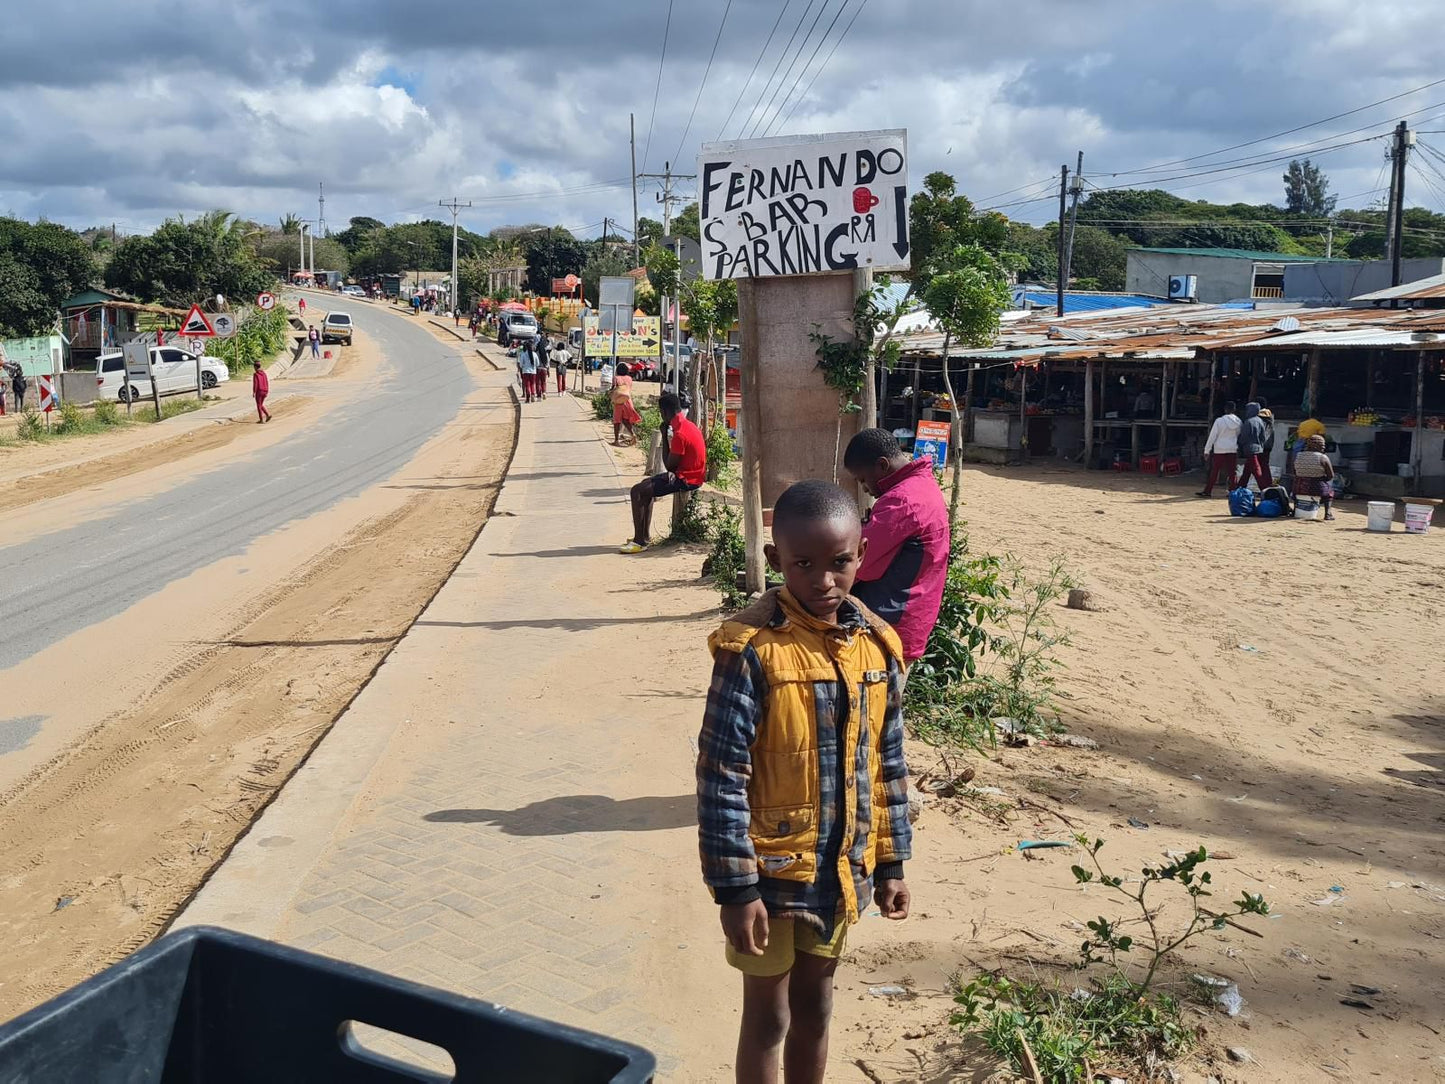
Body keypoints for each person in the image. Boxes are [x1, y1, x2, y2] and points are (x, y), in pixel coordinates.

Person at [697, 480, 911, 1084]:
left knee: (816, 1006)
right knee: (768, 1017)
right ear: (775, 561)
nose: (823, 581)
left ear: (862, 553)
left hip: (840, 869)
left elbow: (887, 763)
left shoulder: (878, 649)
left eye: (840, 562)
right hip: (768, 876)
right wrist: (736, 889)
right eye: (803, 565)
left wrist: (891, 862)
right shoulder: (751, 651)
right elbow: (720, 778)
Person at [842, 428, 950, 668]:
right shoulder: (920, 486)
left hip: (889, 626)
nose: (864, 488)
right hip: (905, 620)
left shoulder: (901, 501)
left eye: (862, 479)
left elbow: (857, 563)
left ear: (881, 465)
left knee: (873, 703)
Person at [620, 392, 706, 554]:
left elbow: (669, 466)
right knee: (644, 486)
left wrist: (665, 436)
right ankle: (643, 537)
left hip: (687, 478)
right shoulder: (689, 425)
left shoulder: (680, 433)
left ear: (665, 413)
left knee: (636, 491)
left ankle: (640, 541)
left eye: (661, 413)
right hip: (690, 473)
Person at [1197, 401, 1241, 497]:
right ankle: (1232, 491)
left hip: (1220, 448)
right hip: (1232, 448)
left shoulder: (1219, 421)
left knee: (1215, 470)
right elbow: (1238, 435)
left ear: (1225, 409)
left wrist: (1207, 450)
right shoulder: (1238, 422)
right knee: (1232, 471)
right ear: (1234, 410)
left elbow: (1212, 436)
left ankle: (1208, 491)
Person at [1292, 434, 1336, 520]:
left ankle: (1295, 510)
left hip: (1298, 488)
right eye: (1322, 446)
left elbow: (1294, 472)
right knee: (1329, 493)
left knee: (1295, 493)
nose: (1323, 448)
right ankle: (1328, 514)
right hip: (1316, 488)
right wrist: (1323, 480)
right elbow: (1331, 476)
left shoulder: (1298, 455)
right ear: (1317, 446)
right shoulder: (1323, 458)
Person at [1234, 402, 1269, 492]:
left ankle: (1263, 489)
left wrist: (1240, 444)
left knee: (1256, 471)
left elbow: (1244, 437)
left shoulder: (1248, 422)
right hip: (1259, 448)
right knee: (1247, 471)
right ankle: (1240, 487)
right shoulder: (1260, 421)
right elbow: (1263, 437)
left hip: (1250, 448)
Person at [610, 363, 640, 446]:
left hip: (619, 401)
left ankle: (616, 441)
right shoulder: (629, 378)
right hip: (628, 401)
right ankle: (633, 434)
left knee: (617, 421)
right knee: (625, 420)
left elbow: (613, 388)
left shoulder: (616, 378)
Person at [1256, 397, 1277, 488]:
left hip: (1261, 444)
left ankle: (1264, 485)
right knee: (1264, 464)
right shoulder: (1270, 415)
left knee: (1258, 466)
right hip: (1269, 444)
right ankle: (1267, 483)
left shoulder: (1259, 416)